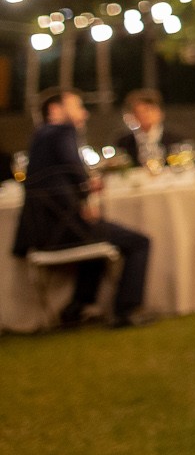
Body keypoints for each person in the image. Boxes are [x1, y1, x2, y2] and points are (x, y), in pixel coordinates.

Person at [13, 90, 152, 328]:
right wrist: (86, 192)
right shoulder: (62, 131)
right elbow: (75, 170)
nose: (84, 113)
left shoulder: (38, 138)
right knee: (139, 242)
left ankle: (76, 308)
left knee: (96, 240)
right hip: (64, 229)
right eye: (77, 106)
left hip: (40, 232)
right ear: (55, 110)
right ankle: (126, 311)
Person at [117, 87, 185, 167]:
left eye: (149, 110)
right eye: (139, 112)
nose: (145, 115)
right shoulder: (124, 142)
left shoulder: (175, 140)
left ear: (160, 113)